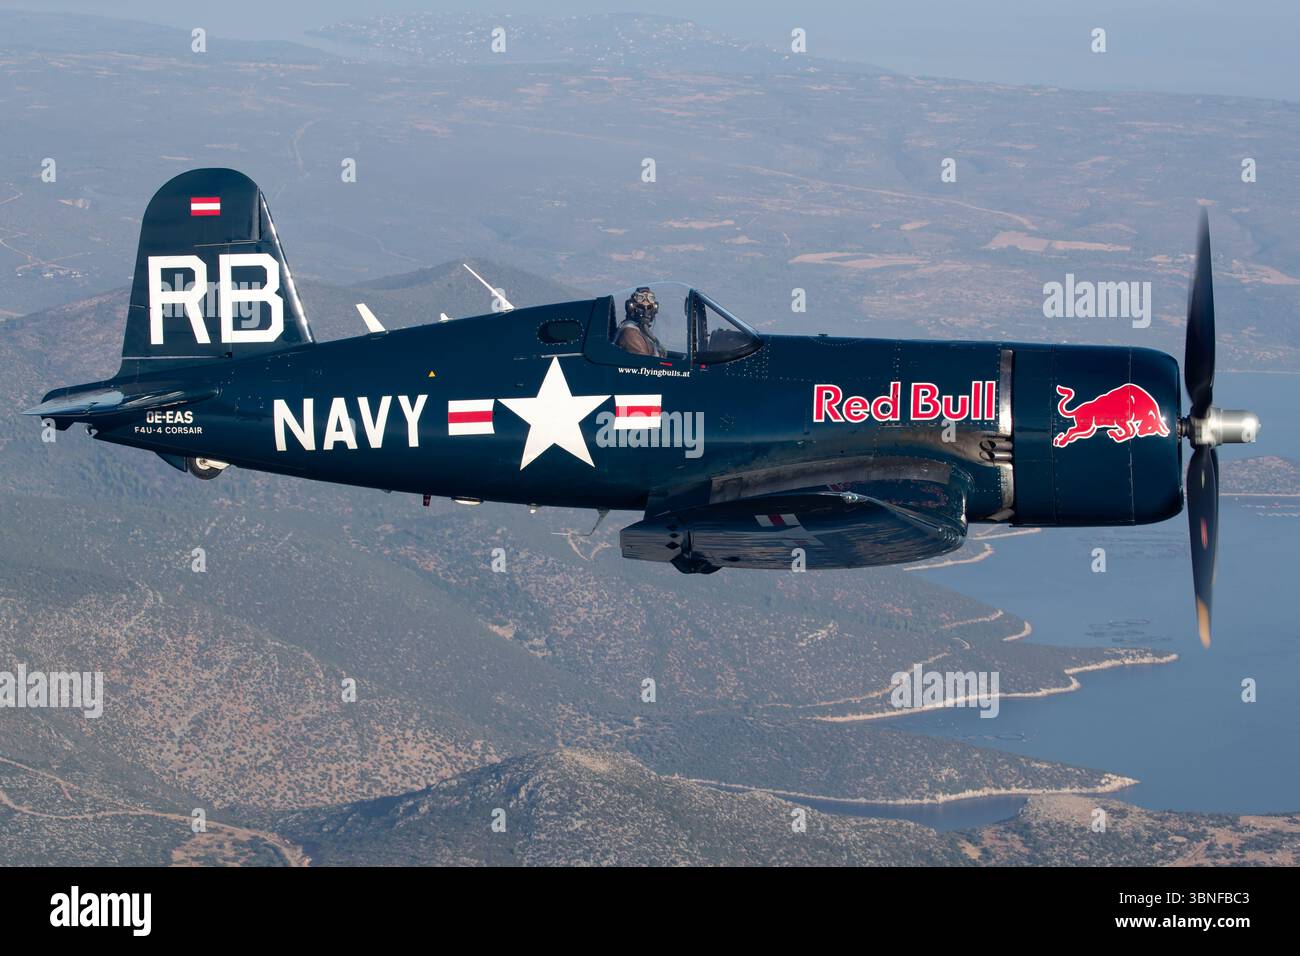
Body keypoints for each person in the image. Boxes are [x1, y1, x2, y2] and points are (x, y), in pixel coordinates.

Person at [615, 287, 666, 357]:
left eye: (649, 308)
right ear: (631, 308)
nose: (647, 313)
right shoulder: (630, 334)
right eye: (642, 308)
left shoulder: (642, 333)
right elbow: (646, 364)